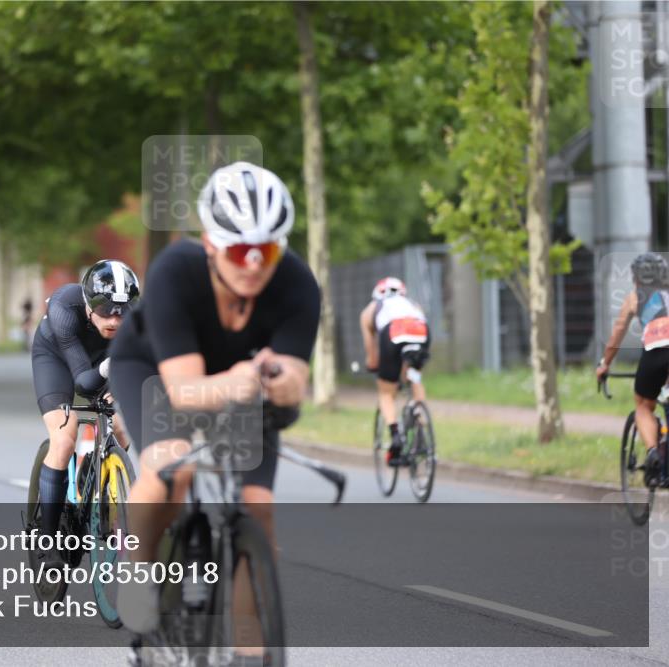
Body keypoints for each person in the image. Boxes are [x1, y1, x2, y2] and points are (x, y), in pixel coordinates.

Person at [109, 161, 320, 636]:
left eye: (266, 250)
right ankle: (138, 566)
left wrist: (281, 380)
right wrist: (238, 380)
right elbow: (184, 392)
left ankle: (250, 647)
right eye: (240, 249)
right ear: (210, 242)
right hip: (153, 368)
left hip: (242, 383)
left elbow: (294, 384)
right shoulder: (175, 271)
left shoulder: (297, 285)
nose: (253, 264)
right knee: (172, 466)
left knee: (257, 507)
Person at [31, 259, 140, 569]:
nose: (115, 320)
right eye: (106, 310)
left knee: (121, 425)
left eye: (123, 312)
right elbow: (83, 382)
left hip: (104, 360)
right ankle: (48, 542)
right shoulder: (65, 308)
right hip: (56, 358)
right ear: (89, 304)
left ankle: (100, 478)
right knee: (66, 436)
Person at [597, 252, 669, 480]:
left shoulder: (634, 298)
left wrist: (604, 364)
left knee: (643, 405)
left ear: (636, 277)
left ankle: (652, 452)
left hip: (656, 351)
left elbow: (617, 335)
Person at [359, 276, 430, 466]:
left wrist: (374, 367)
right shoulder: (413, 305)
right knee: (414, 377)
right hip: (420, 330)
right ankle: (420, 427)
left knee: (386, 392)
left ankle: (396, 437)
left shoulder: (370, 310)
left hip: (393, 332)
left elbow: (372, 357)